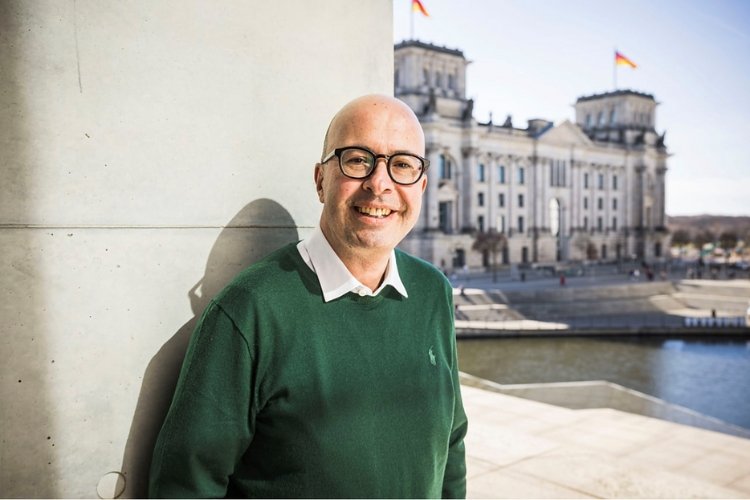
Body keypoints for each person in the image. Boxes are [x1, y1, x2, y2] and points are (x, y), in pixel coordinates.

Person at [148, 95, 468, 498]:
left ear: (421, 187)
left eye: (402, 165)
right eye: (357, 160)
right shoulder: (249, 310)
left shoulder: (433, 291)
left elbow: (452, 443)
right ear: (320, 181)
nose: (379, 183)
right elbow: (186, 485)